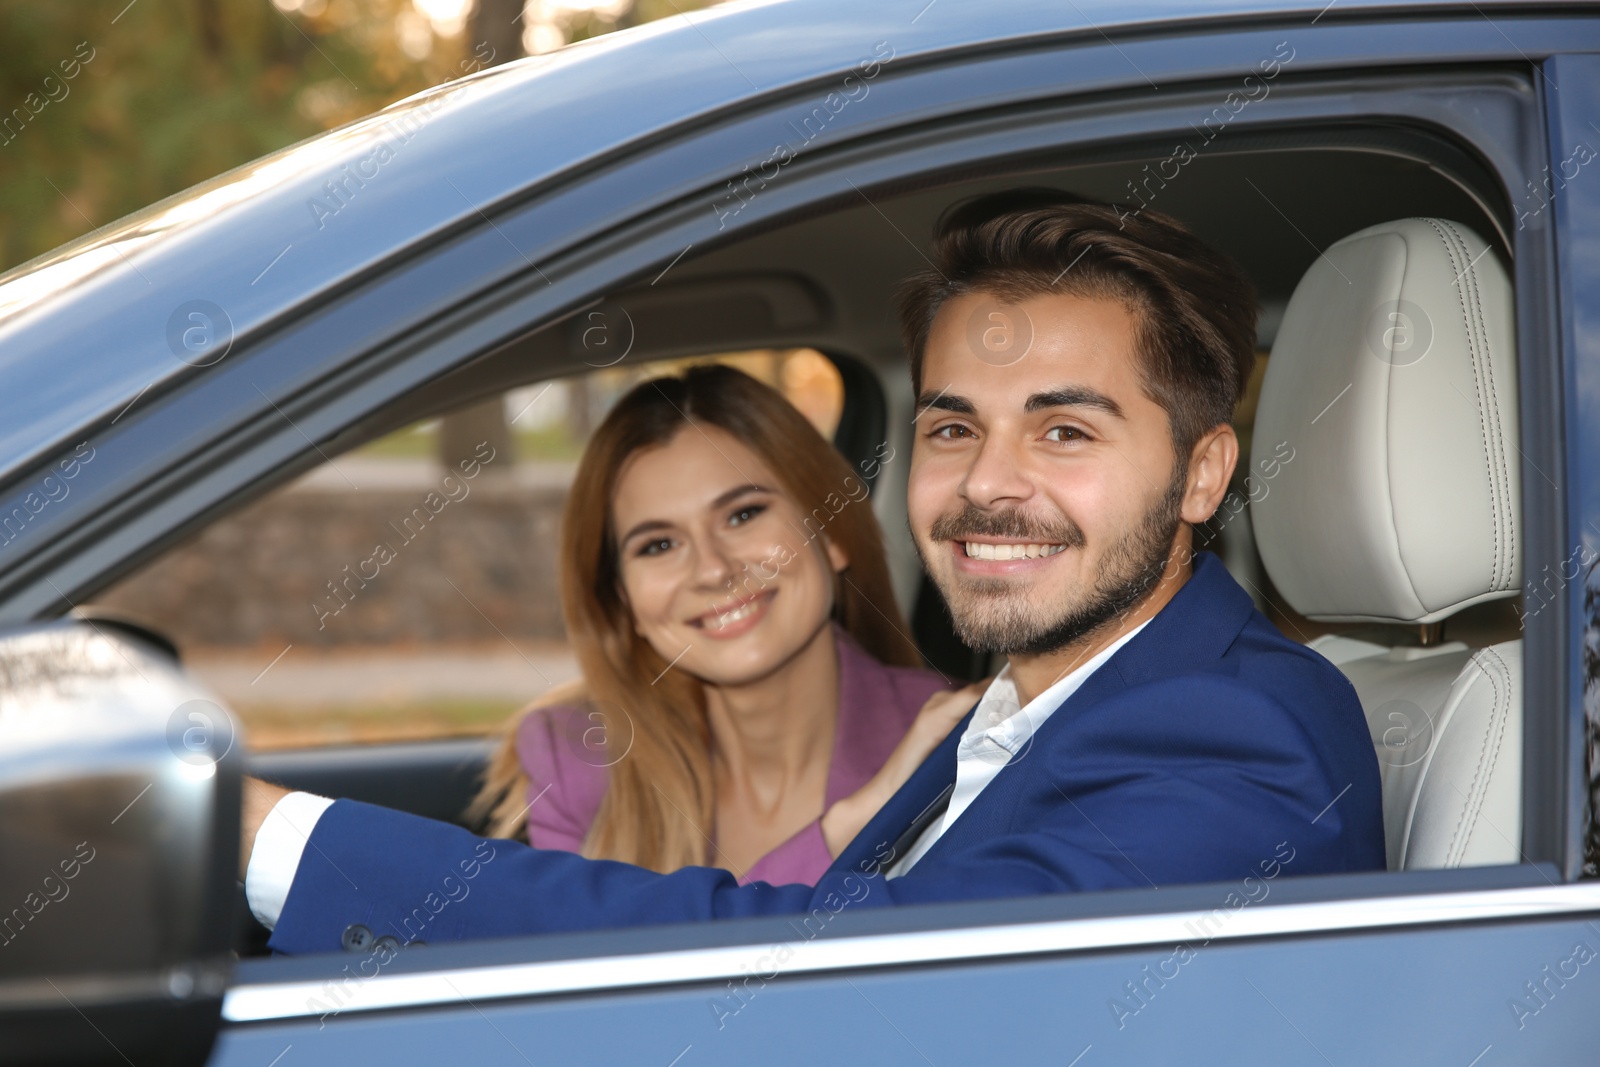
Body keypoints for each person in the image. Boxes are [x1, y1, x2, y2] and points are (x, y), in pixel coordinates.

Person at [241, 190, 1385, 955]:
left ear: (1199, 475)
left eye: (1064, 431)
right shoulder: (1009, 714)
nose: (988, 484)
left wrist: (273, 836)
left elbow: (841, 985)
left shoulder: (1243, 732)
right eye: (950, 428)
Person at [464, 365, 968, 886]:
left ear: (831, 533)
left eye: (743, 514)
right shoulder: (580, 765)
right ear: (624, 604)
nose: (712, 569)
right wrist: (852, 828)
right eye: (658, 545)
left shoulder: (961, 743)